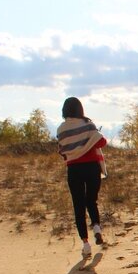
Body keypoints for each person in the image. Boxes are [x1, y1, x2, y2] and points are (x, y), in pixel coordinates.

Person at [57, 97, 106, 259]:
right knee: (91, 200)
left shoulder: (61, 129)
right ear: (80, 109)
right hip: (92, 168)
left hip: (74, 170)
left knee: (78, 206)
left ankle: (85, 245)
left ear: (64, 110)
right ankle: (97, 228)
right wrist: (88, 142)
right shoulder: (88, 125)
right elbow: (102, 142)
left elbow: (63, 150)